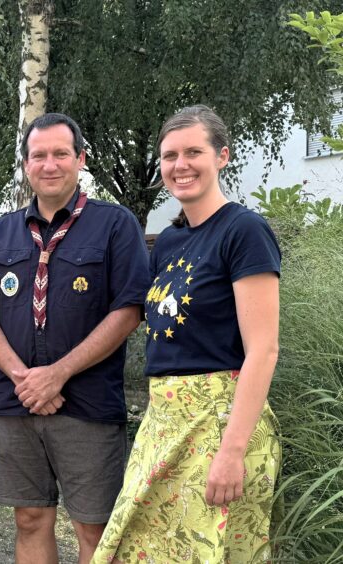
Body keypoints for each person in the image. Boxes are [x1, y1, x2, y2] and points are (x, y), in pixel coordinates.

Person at [93, 105, 282, 563]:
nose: (180, 165)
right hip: (164, 421)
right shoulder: (170, 241)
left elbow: (263, 349)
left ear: (222, 156)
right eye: (170, 155)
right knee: (132, 547)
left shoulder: (244, 231)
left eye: (194, 152)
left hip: (221, 424)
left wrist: (232, 451)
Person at [0, 113, 151, 564]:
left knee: (94, 528)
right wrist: (25, 379)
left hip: (87, 405)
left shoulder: (115, 224)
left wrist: (57, 375)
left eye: (61, 154)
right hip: (17, 402)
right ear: (26, 164)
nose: (50, 164)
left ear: (80, 159)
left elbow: (129, 311)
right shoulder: (4, 230)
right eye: (39, 155)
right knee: (29, 519)